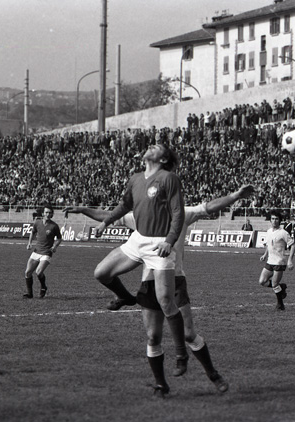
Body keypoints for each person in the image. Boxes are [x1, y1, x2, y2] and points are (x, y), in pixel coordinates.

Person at [65, 184, 255, 397]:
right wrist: (83, 209)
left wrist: (236, 195)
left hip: (175, 279)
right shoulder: (142, 217)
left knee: (188, 334)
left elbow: (209, 207)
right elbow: (109, 216)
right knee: (153, 337)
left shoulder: (182, 214)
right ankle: (161, 384)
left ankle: (213, 374)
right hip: (149, 282)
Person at [90, 144, 186, 398]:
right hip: (138, 240)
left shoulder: (168, 178)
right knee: (101, 273)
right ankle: (125, 297)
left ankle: (181, 354)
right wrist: (105, 222)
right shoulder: (135, 179)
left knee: (166, 301)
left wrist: (170, 240)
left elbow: (178, 212)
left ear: (163, 159)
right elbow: (125, 206)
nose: (152, 146)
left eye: (158, 147)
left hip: (160, 244)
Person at [258, 210, 295, 311]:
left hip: (279, 262)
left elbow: (293, 246)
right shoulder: (269, 231)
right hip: (270, 261)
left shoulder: (283, 233)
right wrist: (265, 255)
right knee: (262, 281)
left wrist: (290, 260)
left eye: (276, 219)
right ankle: (281, 287)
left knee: (274, 284)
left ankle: (280, 305)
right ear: (270, 220)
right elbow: (268, 244)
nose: (274, 221)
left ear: (280, 221)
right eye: (273, 219)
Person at [23, 204, 62, 298]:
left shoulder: (54, 226)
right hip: (37, 251)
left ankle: (43, 287)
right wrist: (29, 243)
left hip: (47, 252)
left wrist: (55, 246)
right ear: (43, 213)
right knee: (27, 272)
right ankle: (30, 294)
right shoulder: (37, 223)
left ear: (52, 214)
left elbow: (59, 238)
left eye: (50, 213)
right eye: (46, 212)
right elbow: (32, 232)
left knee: (38, 272)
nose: (48, 214)